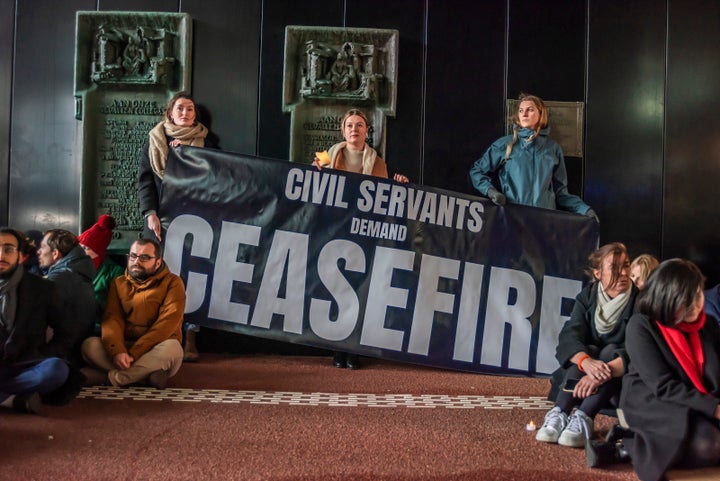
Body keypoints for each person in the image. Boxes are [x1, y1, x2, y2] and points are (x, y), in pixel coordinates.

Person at [588, 259, 720, 480]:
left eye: (698, 295)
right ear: (668, 297)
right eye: (687, 299)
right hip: (654, 399)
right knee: (709, 445)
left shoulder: (708, 325)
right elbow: (663, 386)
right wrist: (715, 409)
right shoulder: (641, 326)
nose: (697, 304)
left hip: (696, 396)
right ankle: (627, 447)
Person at [313, 108, 409, 369]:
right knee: (334, 287)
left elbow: (384, 198)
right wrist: (316, 172)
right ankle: (336, 348)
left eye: (359, 125)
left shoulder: (377, 162)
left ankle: (352, 348)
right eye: (349, 125)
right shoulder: (327, 155)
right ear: (342, 130)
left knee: (358, 289)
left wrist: (398, 184)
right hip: (335, 230)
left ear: (367, 130)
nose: (354, 129)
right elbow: (313, 182)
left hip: (362, 233)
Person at [535, 242, 638, 447]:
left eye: (626, 266)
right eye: (615, 268)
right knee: (588, 351)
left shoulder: (641, 302)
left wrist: (602, 372)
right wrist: (586, 362)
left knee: (610, 350)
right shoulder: (587, 296)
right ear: (598, 273)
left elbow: (639, 352)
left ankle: (583, 416)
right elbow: (569, 337)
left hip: (618, 380)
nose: (624, 273)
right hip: (582, 381)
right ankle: (560, 412)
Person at [138, 91, 213, 362]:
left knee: (193, 277)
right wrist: (150, 213)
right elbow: (145, 180)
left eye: (190, 109)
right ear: (170, 113)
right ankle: (162, 335)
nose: (185, 113)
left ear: (195, 115)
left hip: (197, 219)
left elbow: (215, 179)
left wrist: (190, 157)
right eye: (180, 108)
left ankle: (190, 338)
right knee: (157, 276)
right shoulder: (155, 139)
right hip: (161, 219)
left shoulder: (207, 142)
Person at [469, 93, 597, 221]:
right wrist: (491, 192)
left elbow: (561, 194)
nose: (524, 114)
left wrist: (585, 209)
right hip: (512, 218)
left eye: (530, 110)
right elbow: (477, 172)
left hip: (543, 222)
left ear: (541, 115)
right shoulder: (505, 144)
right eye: (521, 110)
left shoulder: (553, 149)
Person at [80, 238, 185, 389]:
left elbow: (166, 325)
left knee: (173, 349)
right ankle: (147, 375)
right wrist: (118, 351)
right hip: (126, 347)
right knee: (89, 345)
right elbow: (112, 319)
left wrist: (134, 354)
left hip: (157, 346)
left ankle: (110, 378)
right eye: (133, 256)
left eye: (144, 257)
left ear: (157, 262)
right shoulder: (119, 282)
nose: (136, 261)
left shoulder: (174, 283)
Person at [0, 227, 69, 414]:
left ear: (21, 256)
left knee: (56, 369)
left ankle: (6, 396)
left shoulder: (42, 288)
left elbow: (65, 331)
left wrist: (43, 353)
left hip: (26, 365)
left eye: (8, 249)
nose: (1, 255)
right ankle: (13, 400)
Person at [37, 229, 97, 365]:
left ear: (55, 253)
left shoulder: (59, 278)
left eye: (43, 247)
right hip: (74, 351)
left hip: (60, 355)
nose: (38, 251)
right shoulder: (78, 272)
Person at [78, 214, 124, 323]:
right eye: (80, 247)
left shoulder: (114, 271)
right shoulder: (74, 265)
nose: (81, 252)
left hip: (100, 324)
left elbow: (117, 306)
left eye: (86, 248)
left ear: (97, 251)